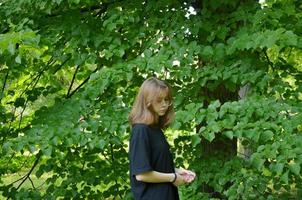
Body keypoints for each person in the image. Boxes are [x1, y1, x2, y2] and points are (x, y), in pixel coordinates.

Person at [128, 77, 196, 200]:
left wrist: (179, 172)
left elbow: (157, 165)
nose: (164, 104)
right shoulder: (141, 131)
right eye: (159, 100)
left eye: (167, 100)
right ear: (147, 102)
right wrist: (173, 177)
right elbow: (142, 174)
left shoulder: (155, 129)